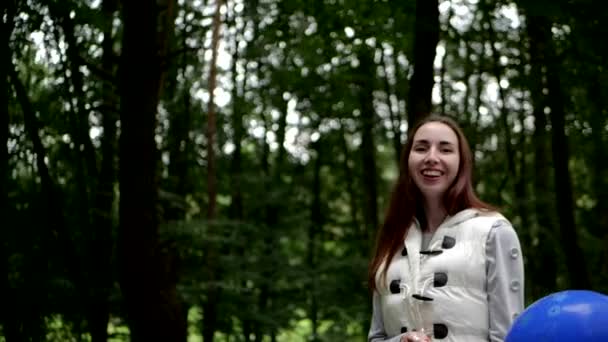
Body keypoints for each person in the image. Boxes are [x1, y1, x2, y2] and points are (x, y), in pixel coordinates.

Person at [367, 115, 524, 342]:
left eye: (445, 149)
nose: (432, 157)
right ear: (408, 160)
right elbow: (376, 337)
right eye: (421, 148)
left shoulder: (494, 231)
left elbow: (509, 337)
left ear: (462, 162)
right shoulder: (392, 236)